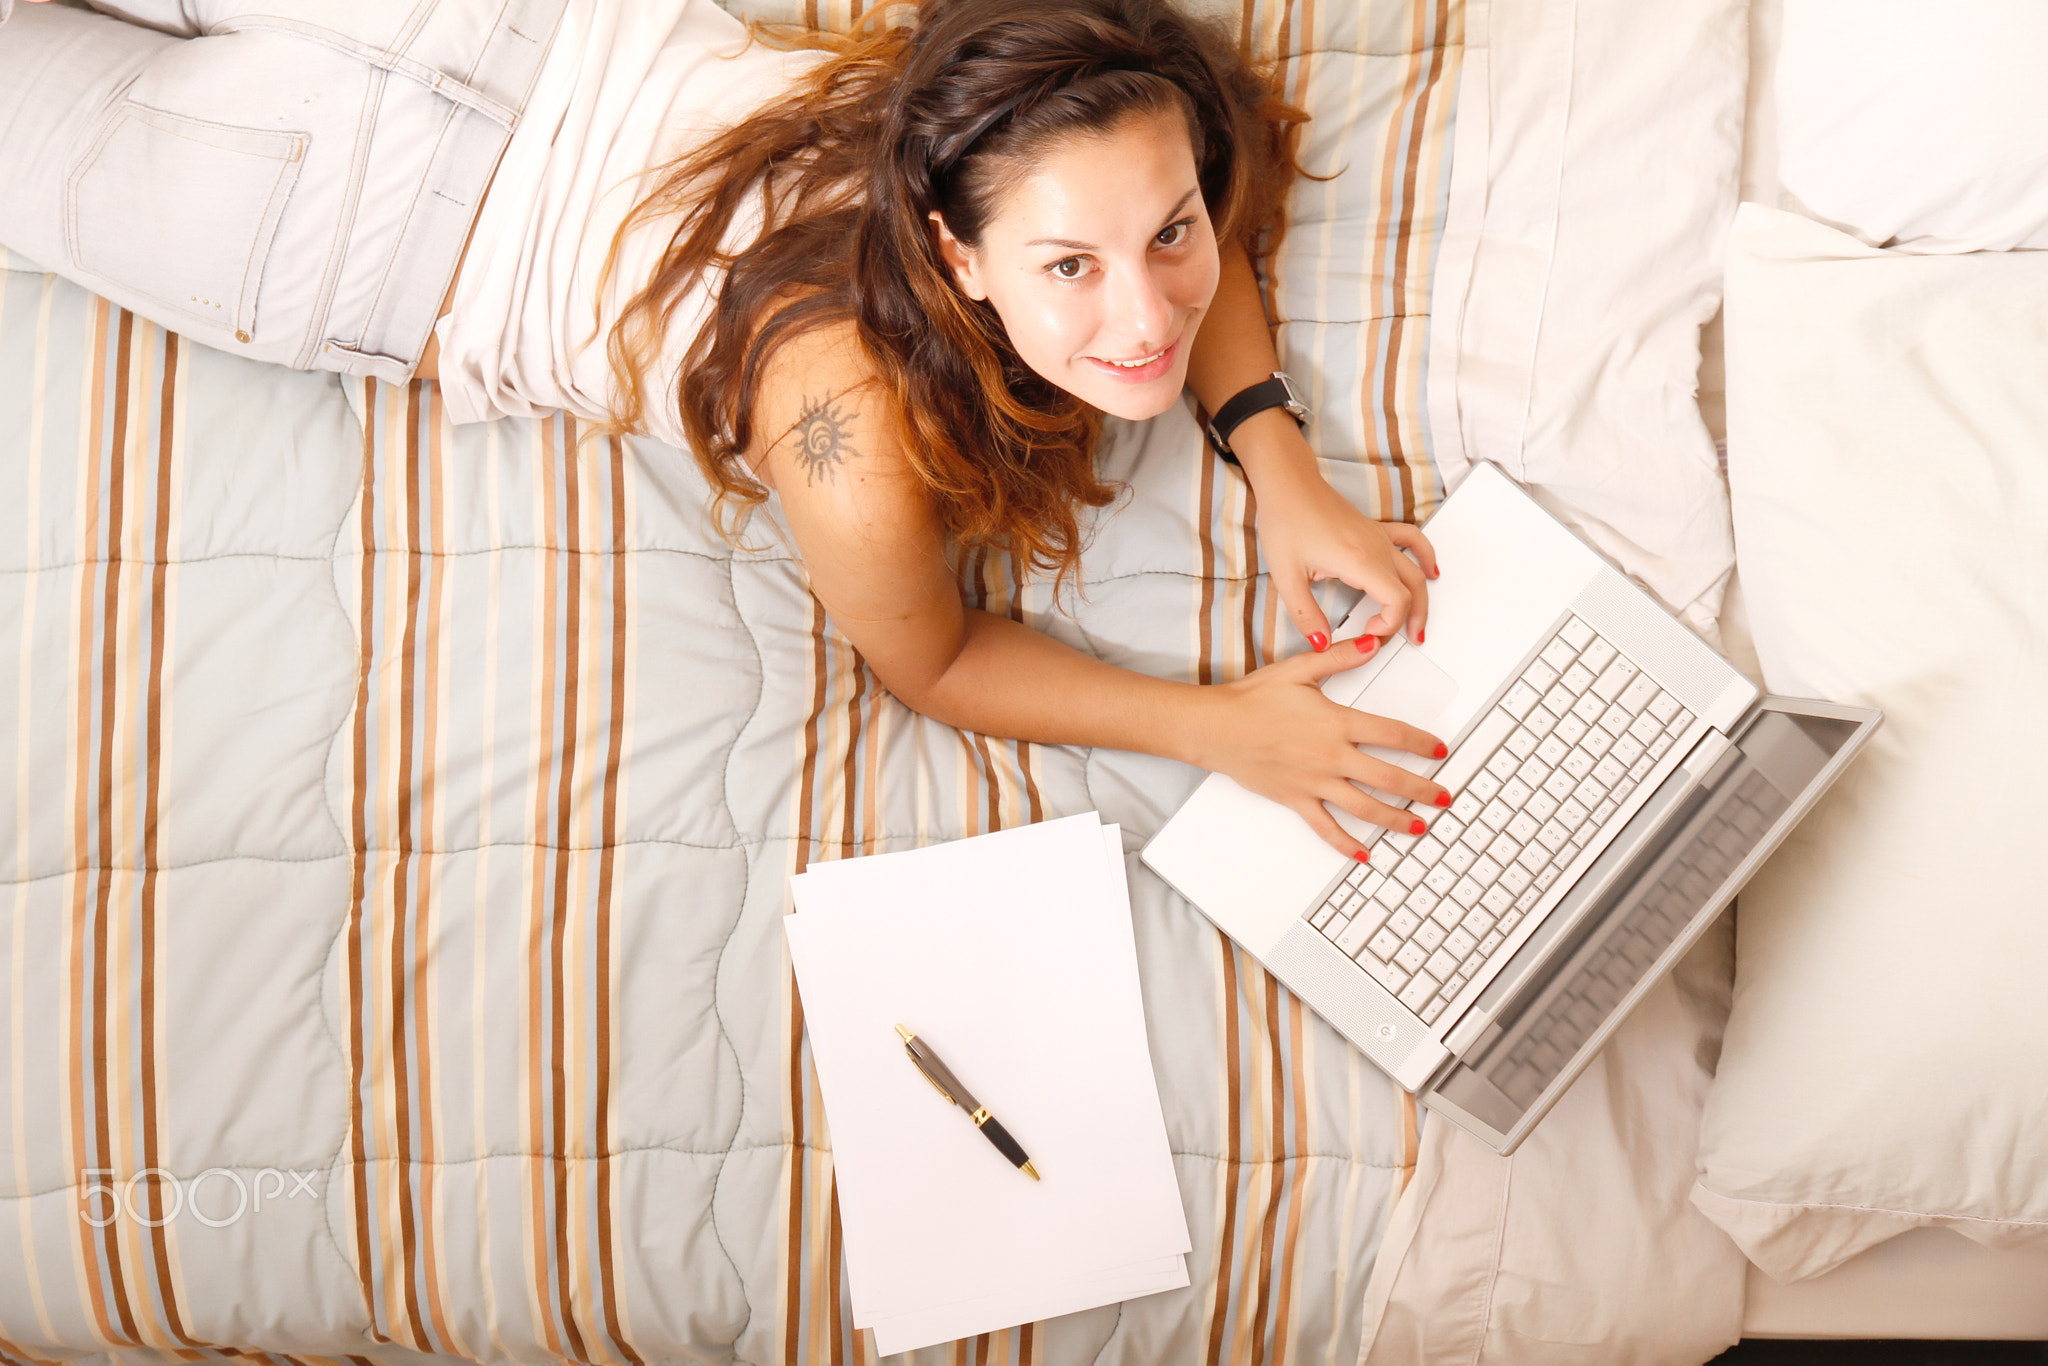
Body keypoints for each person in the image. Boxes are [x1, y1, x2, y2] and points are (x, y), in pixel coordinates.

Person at [0, 0, 1451, 861]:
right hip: (340, 218)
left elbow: (1210, 155)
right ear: (954, 253)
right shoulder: (848, 415)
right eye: (1069, 266)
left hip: (397, 109)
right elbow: (932, 658)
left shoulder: (1031, 100)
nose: (1144, 322)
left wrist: (1279, 463)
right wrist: (1223, 731)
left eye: (1172, 238)